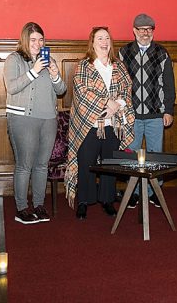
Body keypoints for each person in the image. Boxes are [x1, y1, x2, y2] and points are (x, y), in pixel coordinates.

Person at [65, 26, 136, 220]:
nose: (104, 42)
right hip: (89, 124)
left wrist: (118, 105)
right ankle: (83, 201)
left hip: (113, 123)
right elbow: (82, 92)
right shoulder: (84, 66)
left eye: (107, 38)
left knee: (109, 164)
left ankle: (107, 200)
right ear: (93, 43)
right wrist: (107, 102)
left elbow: (127, 89)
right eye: (100, 39)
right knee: (86, 163)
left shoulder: (119, 66)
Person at [4, 22, 66, 224]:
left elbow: (61, 90)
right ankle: (22, 208)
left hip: (48, 119)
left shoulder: (47, 60)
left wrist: (55, 75)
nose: (38, 44)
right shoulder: (14, 59)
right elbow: (12, 87)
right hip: (23, 118)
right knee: (25, 165)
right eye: (33, 40)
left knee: (41, 165)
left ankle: (39, 205)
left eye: (41, 40)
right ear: (25, 40)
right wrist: (34, 70)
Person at [119, 13, 175, 209]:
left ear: (152, 31)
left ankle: (154, 192)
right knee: (132, 155)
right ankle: (133, 193)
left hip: (155, 115)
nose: (145, 33)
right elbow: (118, 84)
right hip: (131, 115)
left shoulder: (162, 53)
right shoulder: (123, 53)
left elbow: (169, 84)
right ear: (134, 31)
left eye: (149, 29)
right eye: (141, 29)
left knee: (155, 155)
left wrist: (168, 110)